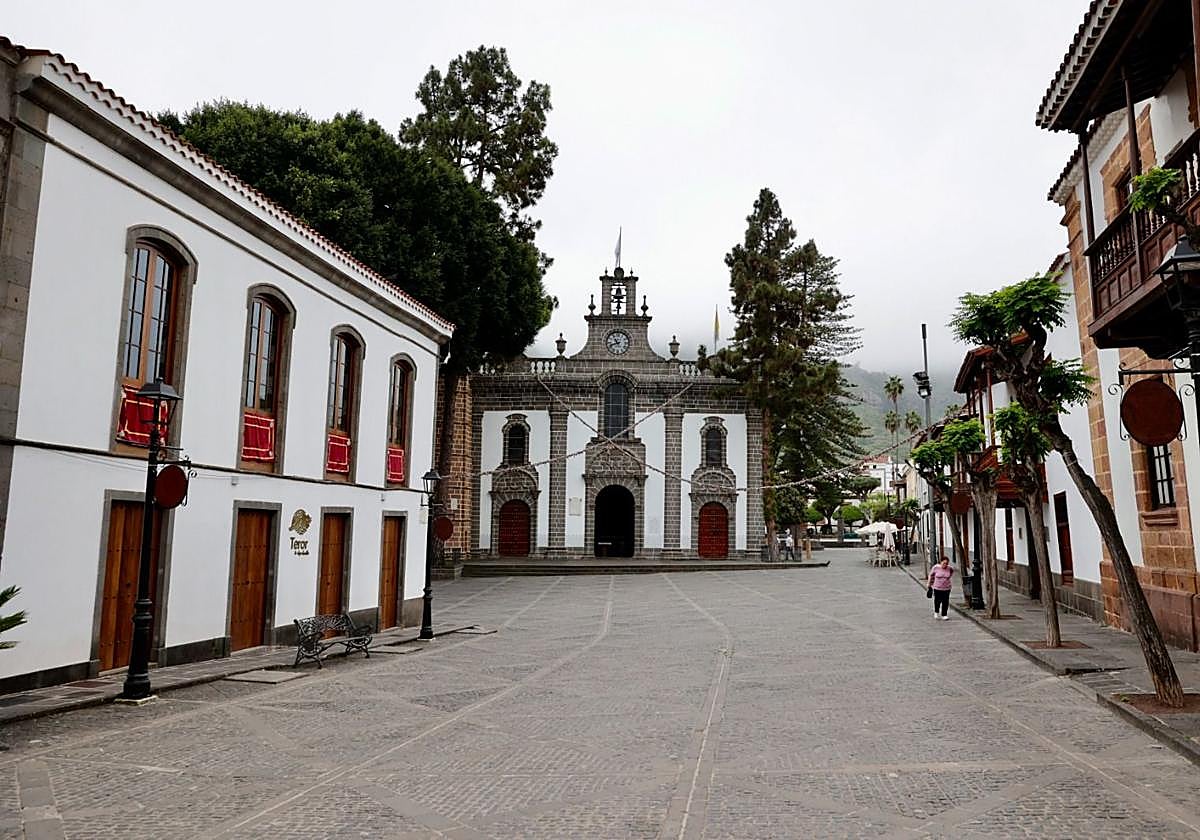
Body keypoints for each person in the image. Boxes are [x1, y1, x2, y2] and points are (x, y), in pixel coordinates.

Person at [928, 555, 954, 620]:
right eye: (944, 563)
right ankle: (936, 612)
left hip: (947, 588)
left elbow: (951, 573)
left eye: (946, 563)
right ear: (941, 562)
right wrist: (929, 584)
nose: (945, 565)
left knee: (945, 601)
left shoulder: (949, 568)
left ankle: (944, 614)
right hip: (937, 588)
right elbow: (931, 575)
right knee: (937, 601)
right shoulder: (936, 567)